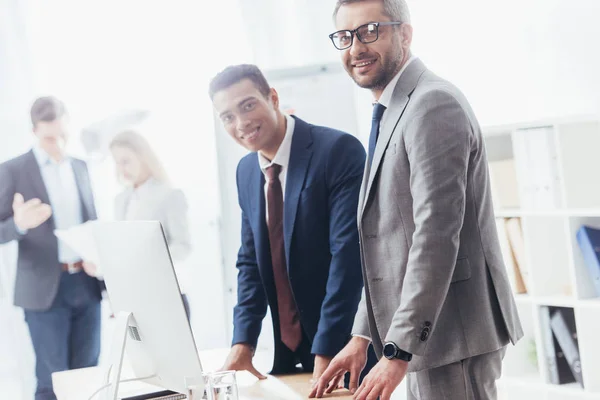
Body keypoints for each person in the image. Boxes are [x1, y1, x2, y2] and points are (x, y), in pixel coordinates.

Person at [311, 1, 524, 399]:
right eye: (345, 36)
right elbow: (388, 245)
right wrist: (362, 336)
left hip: (453, 333)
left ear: (404, 34)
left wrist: (398, 349)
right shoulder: (391, 109)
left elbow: (436, 235)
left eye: (370, 31)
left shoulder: (431, 103)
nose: (356, 47)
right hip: (427, 337)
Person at [209, 64, 377, 386]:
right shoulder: (246, 171)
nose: (241, 123)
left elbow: (348, 259)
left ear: (272, 97)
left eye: (247, 105)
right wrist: (242, 344)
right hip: (287, 358)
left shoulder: (337, 151)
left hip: (345, 353)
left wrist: (326, 352)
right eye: (227, 117)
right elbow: (251, 263)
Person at [0, 96, 103, 400]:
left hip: (85, 285)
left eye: (61, 134)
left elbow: (92, 223)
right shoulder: (14, 170)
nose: (56, 143)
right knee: (52, 381)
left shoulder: (81, 167)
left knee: (88, 375)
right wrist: (19, 224)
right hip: (44, 292)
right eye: (48, 136)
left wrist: (100, 264)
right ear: (34, 131)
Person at [109, 130, 192, 319]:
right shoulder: (121, 200)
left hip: (166, 295)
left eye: (126, 161)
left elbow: (183, 246)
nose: (121, 169)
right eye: (116, 162)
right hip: (135, 299)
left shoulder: (170, 195)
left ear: (143, 157)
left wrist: (151, 259)